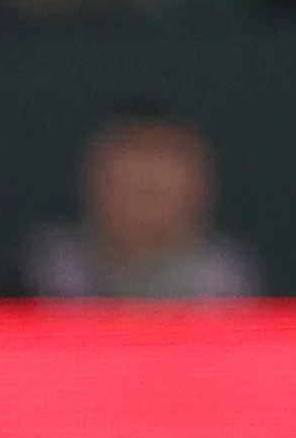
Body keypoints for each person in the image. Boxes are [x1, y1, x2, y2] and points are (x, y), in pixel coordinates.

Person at [28, 110, 261, 301]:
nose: (148, 173)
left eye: (166, 154)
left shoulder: (231, 282)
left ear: (202, 183)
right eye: (131, 152)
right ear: (93, 176)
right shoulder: (40, 278)